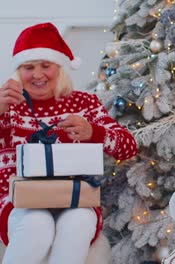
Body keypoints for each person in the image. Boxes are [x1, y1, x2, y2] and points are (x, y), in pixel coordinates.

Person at [0, 22, 137, 264]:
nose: (38, 74)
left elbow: (128, 147)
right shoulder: (6, 104)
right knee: (36, 224)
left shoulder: (83, 103)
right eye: (29, 67)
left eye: (46, 66)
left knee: (79, 223)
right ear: (18, 72)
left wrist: (93, 132)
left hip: (75, 198)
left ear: (60, 68)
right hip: (19, 200)